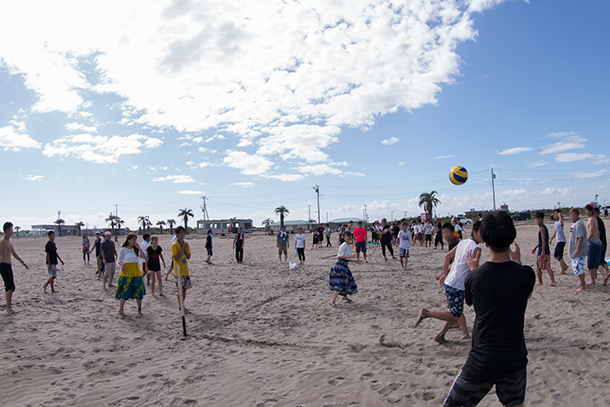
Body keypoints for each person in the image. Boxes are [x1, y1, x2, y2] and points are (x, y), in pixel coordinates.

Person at [442, 212, 535, 407]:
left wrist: (474, 271)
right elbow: (524, 295)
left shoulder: (475, 278)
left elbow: (475, 304)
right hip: (514, 360)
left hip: (482, 360)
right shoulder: (525, 274)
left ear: (485, 242)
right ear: (512, 240)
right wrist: (517, 261)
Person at [415, 221, 483, 344]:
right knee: (456, 315)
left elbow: (447, 257)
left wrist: (445, 275)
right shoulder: (476, 248)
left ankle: (441, 335)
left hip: (450, 282)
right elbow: (475, 271)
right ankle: (426, 313)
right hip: (458, 285)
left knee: (455, 311)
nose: (484, 236)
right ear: (474, 232)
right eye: (482, 233)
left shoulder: (463, 242)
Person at [0, 222, 29, 314]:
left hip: (8, 265)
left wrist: (22, 262)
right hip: (3, 265)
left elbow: (14, 253)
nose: (12, 231)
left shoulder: (9, 241)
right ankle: (8, 308)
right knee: (9, 286)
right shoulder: (2, 241)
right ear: (7, 230)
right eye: (11, 229)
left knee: (11, 287)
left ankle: (9, 307)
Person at [329, 231, 363, 307]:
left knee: (348, 282)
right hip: (339, 267)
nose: (350, 237)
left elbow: (347, 259)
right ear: (344, 238)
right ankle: (332, 301)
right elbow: (339, 256)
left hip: (344, 266)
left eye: (350, 235)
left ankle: (344, 296)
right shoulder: (343, 246)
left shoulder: (348, 246)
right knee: (340, 284)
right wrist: (350, 256)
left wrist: (355, 261)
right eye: (348, 236)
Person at [116, 233, 146, 316]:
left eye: (135, 240)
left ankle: (139, 309)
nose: (134, 241)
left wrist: (139, 248)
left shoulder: (135, 249)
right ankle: (121, 309)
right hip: (127, 272)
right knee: (125, 291)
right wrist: (122, 265)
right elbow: (119, 261)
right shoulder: (123, 249)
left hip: (136, 271)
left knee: (138, 291)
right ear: (128, 240)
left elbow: (143, 256)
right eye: (133, 239)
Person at [171, 226, 192, 313]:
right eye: (182, 233)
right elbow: (175, 258)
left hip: (185, 270)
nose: (183, 235)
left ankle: (182, 305)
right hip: (178, 270)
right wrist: (182, 249)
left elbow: (188, 257)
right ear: (177, 234)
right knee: (180, 289)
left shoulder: (186, 244)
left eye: (184, 233)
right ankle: (181, 306)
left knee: (185, 289)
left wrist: (185, 250)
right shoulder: (174, 245)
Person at [531, 212, 556, 286]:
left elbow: (544, 240)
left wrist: (543, 250)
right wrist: (535, 247)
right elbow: (541, 241)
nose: (537, 221)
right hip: (543, 249)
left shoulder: (542, 228)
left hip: (543, 250)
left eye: (538, 219)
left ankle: (543, 281)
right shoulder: (542, 227)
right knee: (544, 266)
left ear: (541, 219)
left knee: (541, 267)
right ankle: (550, 281)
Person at [568, 208, 588, 292]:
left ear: (577, 215)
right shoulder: (576, 224)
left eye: (572, 215)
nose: (571, 217)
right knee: (577, 268)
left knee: (579, 268)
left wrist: (577, 249)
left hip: (579, 251)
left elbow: (580, 237)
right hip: (575, 251)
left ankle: (583, 286)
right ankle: (582, 282)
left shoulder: (579, 224)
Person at [585, 204, 603, 285]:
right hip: (598, 242)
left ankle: (592, 280)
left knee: (590, 262)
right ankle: (604, 274)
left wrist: (586, 241)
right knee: (597, 262)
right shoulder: (595, 219)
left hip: (593, 242)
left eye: (586, 210)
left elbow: (591, 232)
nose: (585, 212)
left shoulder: (591, 219)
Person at [549, 209, 569, 274]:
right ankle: (565, 265)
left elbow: (561, 224)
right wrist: (551, 239)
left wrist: (560, 216)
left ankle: (563, 270)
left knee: (560, 256)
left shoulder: (561, 221)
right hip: (558, 240)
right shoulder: (555, 223)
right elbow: (555, 232)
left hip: (562, 240)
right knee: (555, 255)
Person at [594, 207, 609, 285]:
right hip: (604, 243)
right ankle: (608, 272)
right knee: (602, 259)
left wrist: (596, 242)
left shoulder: (598, 221)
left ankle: (604, 275)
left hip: (600, 243)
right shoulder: (600, 221)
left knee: (598, 261)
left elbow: (599, 233)